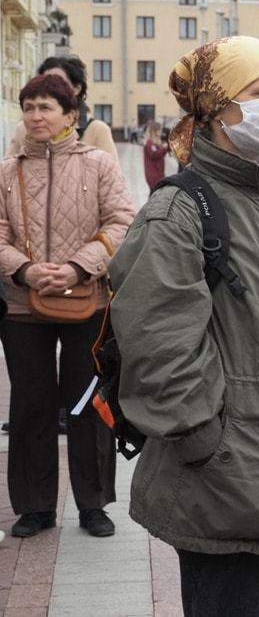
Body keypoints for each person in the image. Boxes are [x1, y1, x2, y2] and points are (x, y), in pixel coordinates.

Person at [108, 36, 259, 616]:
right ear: (217, 111)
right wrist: (207, 446)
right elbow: (158, 349)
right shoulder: (178, 210)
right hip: (221, 479)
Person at [0, 74, 135, 539]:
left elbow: (122, 221)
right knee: (31, 405)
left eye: (45, 107)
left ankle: (93, 504)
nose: (36, 116)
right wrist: (23, 270)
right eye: (29, 107)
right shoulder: (6, 170)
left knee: (87, 403)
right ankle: (35, 507)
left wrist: (81, 266)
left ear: (70, 115)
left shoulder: (98, 164)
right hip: (22, 305)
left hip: (88, 302)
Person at [6, 55, 120, 163]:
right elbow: (7, 175)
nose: (50, 89)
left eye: (59, 83)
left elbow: (112, 178)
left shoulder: (96, 130)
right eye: (45, 82)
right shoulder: (24, 130)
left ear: (76, 88)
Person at [143, 121, 168, 190]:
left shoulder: (156, 142)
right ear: (155, 131)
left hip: (158, 173)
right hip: (153, 175)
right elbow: (154, 154)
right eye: (160, 130)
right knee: (155, 194)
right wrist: (164, 147)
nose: (161, 132)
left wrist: (164, 148)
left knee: (154, 194)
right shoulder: (149, 143)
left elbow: (161, 154)